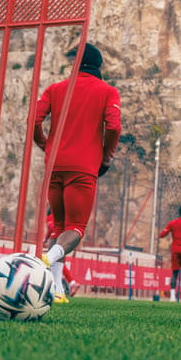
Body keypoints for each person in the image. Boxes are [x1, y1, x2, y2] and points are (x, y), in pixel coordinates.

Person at [35, 43, 122, 303]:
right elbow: (114, 127)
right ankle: (46, 259)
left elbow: (34, 121)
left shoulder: (54, 89)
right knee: (76, 228)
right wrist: (106, 156)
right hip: (83, 167)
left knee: (59, 228)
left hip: (54, 165)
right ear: (99, 66)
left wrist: (45, 145)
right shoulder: (107, 91)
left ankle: (56, 290)